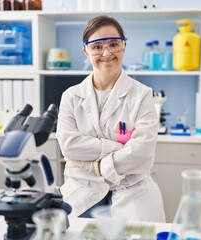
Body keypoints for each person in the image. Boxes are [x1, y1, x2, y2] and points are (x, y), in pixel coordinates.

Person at [56, 15, 165, 222]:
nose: (106, 53)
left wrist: (97, 166)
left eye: (114, 44)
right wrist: (116, 148)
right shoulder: (71, 96)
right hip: (82, 186)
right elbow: (69, 146)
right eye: (97, 46)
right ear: (86, 51)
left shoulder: (142, 94)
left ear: (123, 46)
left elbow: (142, 151)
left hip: (131, 188)